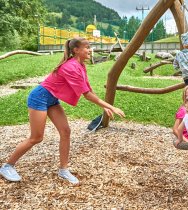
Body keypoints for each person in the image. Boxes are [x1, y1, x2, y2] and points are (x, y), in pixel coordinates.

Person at [0, 38, 125, 184]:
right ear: (76, 50)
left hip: (52, 100)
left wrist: (103, 106)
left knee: (65, 131)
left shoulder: (80, 65)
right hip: (39, 97)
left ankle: (63, 170)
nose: (90, 50)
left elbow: (87, 88)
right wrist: (110, 106)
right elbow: (86, 95)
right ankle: (7, 166)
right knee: (36, 138)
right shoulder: (70, 67)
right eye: (87, 47)